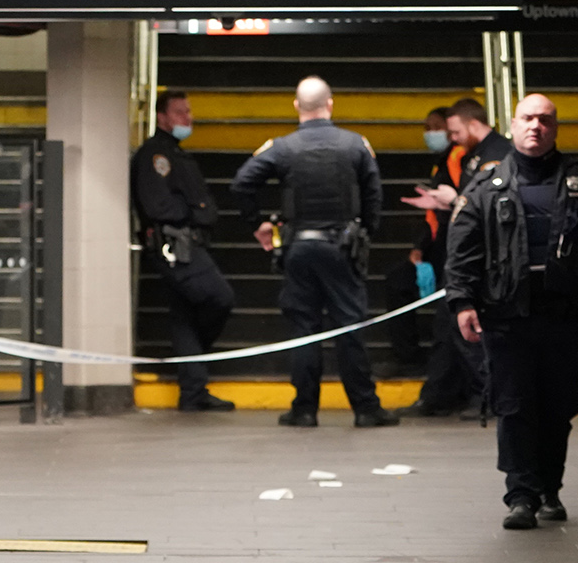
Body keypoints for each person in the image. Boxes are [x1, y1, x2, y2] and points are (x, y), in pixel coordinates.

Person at [446, 93, 578, 527]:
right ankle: (520, 496)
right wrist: (462, 302)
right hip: (506, 316)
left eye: (545, 120)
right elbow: (463, 251)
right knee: (513, 405)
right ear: (512, 124)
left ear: (556, 128)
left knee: (558, 404)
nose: (536, 127)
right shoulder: (487, 186)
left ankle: (550, 490)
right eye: (528, 118)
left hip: (565, 316)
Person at [230, 75, 397, 428]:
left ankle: (304, 409)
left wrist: (256, 223)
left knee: (304, 328)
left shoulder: (282, 147)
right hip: (342, 247)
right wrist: (366, 231)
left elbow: (242, 182)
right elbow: (374, 193)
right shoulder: (355, 145)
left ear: (296, 106)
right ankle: (366, 409)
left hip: (298, 247)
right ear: (330, 103)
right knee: (349, 327)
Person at [400, 100, 511, 417]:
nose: (452, 138)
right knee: (447, 327)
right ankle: (440, 394)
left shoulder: (495, 155)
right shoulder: (472, 156)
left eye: (455, 131)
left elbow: (488, 204)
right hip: (468, 254)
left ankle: (491, 395)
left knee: (468, 329)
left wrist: (455, 199)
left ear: (473, 124)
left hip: (486, 258)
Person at [131, 89, 236, 412]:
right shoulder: (155, 156)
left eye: (188, 112)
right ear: (161, 117)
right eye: (179, 112)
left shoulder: (176, 153)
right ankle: (195, 368)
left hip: (188, 244)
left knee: (184, 317)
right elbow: (159, 205)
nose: (187, 118)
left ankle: (193, 390)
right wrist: (192, 213)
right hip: (174, 245)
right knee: (220, 297)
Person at [383, 106, 460, 369]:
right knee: (398, 280)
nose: (431, 133)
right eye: (427, 128)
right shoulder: (440, 163)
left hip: (455, 249)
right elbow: (432, 217)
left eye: (436, 127)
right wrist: (419, 248)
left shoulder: (458, 157)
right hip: (437, 246)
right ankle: (408, 357)